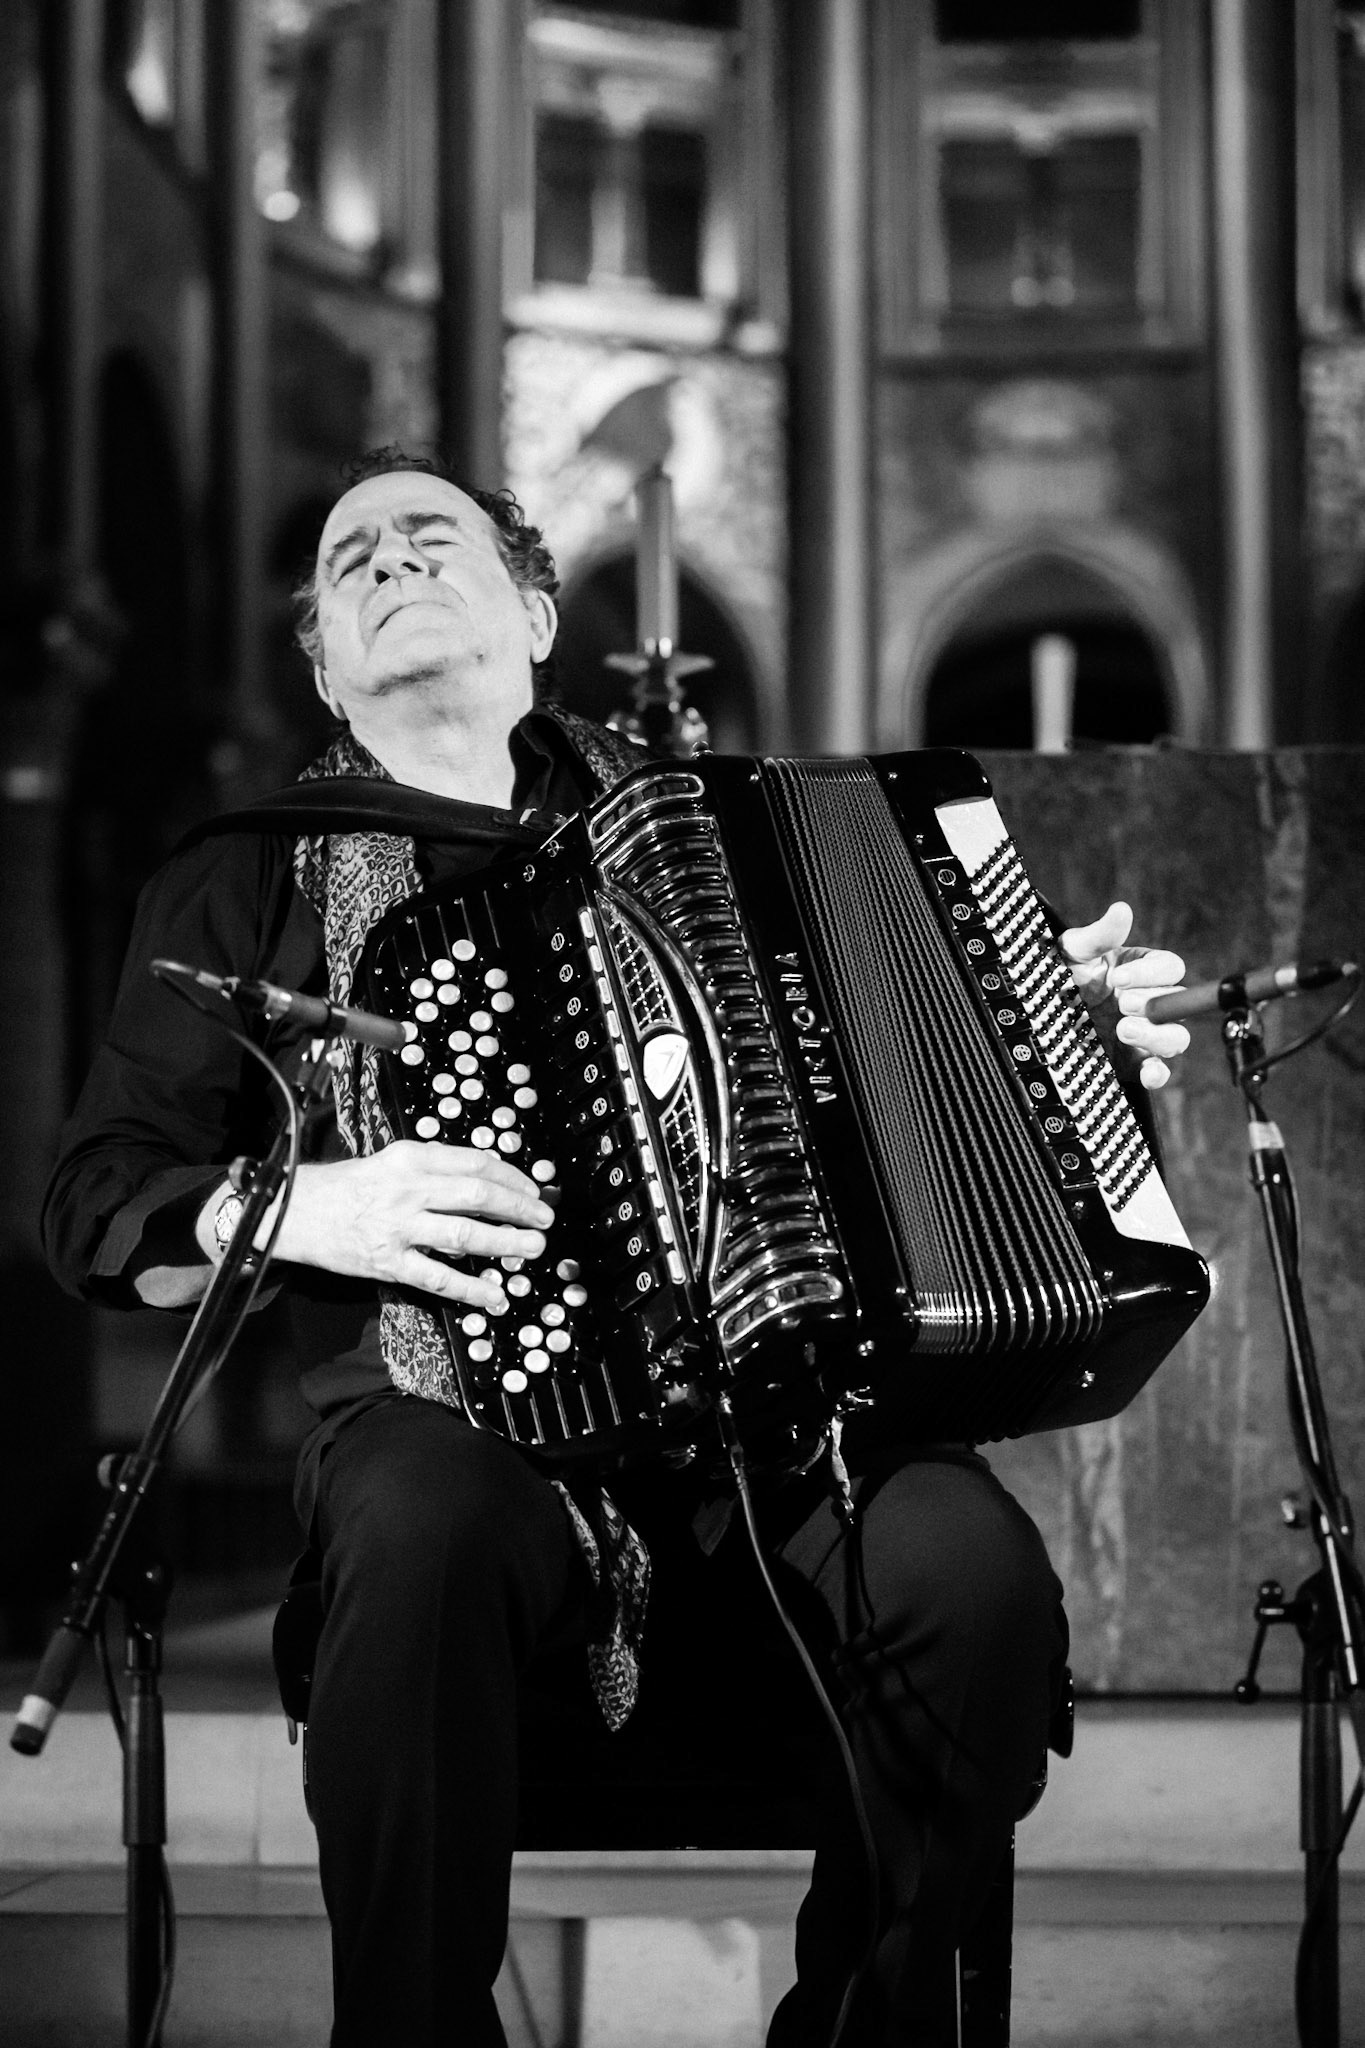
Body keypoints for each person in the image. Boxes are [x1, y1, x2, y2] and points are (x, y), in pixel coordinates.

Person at [42, 449, 1191, 2048]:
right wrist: (306, 1204)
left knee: (968, 1574)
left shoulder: (715, 837)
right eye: (347, 557)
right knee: (417, 1510)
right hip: (453, 1438)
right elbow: (98, 1203)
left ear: (532, 608)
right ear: (320, 658)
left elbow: (891, 1076)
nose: (385, 562)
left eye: (426, 536)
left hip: (772, 1433)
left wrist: (1047, 1046)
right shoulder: (243, 869)